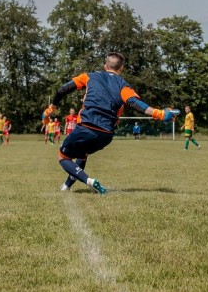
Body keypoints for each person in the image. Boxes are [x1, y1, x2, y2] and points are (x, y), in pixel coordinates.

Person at [46, 52, 179, 194]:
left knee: (62, 156)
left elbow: (62, 89)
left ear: (105, 66)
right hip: (106, 134)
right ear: (121, 69)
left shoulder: (89, 76)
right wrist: (160, 114)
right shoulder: (123, 85)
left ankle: (89, 181)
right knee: (82, 154)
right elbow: (135, 103)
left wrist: (52, 106)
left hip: (86, 125)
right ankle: (66, 186)